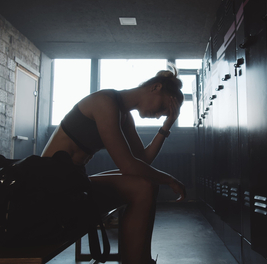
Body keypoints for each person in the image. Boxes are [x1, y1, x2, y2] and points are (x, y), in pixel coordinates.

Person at [41, 65, 186, 264]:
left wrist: (167, 126)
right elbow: (129, 166)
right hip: (50, 189)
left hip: (73, 183)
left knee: (144, 182)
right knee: (143, 186)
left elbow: (142, 161)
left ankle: (138, 260)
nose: (160, 114)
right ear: (156, 87)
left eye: (165, 113)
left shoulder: (124, 116)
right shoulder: (104, 102)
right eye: (163, 108)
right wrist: (169, 180)